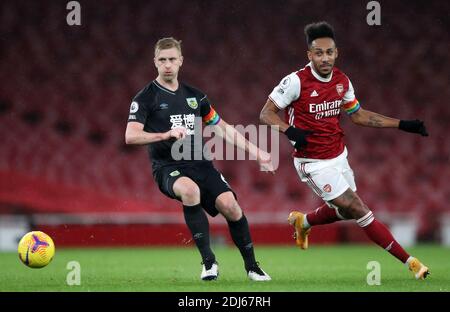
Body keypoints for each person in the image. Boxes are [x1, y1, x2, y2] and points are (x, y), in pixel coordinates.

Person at [259, 22, 430, 280]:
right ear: (310, 55)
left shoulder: (342, 81)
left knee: (347, 210)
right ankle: (411, 263)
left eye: (329, 52)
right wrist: (289, 130)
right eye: (319, 53)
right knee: (358, 208)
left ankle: (302, 222)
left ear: (336, 52)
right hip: (312, 161)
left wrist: (403, 124)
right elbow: (266, 113)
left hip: (339, 156)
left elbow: (358, 116)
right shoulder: (295, 81)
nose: (324, 58)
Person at [125, 37, 273, 281]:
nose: (168, 65)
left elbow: (222, 128)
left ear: (181, 61)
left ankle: (252, 267)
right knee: (190, 191)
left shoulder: (195, 97)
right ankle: (209, 263)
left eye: (172, 59)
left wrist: (258, 152)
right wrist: (165, 134)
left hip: (200, 162)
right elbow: (130, 136)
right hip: (167, 166)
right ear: (155, 62)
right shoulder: (145, 97)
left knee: (230, 206)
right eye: (162, 60)